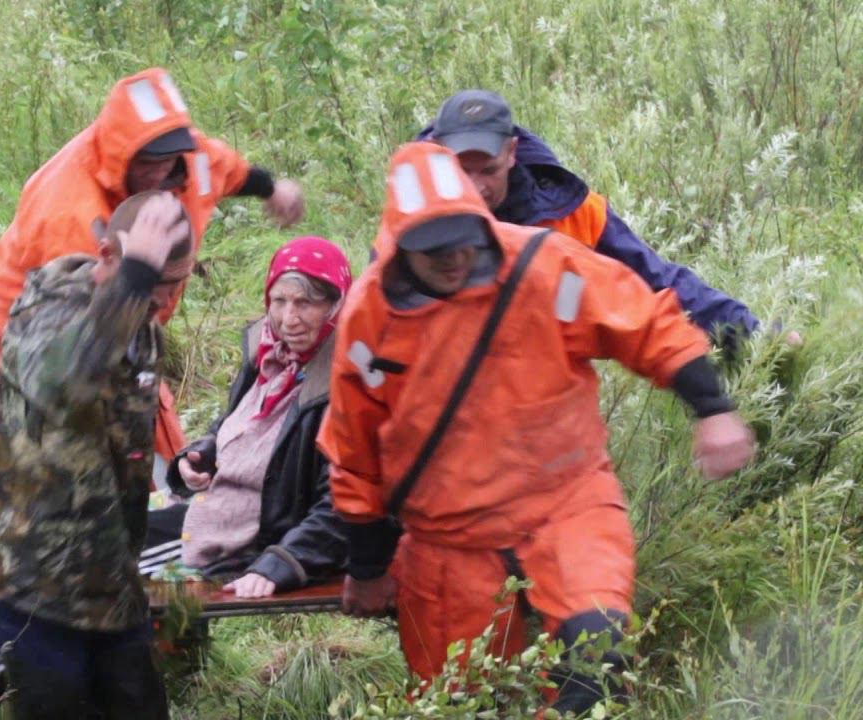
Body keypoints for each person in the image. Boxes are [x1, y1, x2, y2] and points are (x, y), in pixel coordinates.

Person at [318, 142, 756, 714]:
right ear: (401, 248)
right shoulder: (370, 320)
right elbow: (354, 452)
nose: (454, 259)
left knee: (595, 665)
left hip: (566, 508)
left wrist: (713, 408)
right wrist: (368, 567)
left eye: (463, 240)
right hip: (448, 543)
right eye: (434, 249)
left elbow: (646, 323)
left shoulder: (544, 268)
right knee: (463, 704)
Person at [0, 191, 194, 718]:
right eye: (154, 283)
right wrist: (134, 282)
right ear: (108, 257)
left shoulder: (140, 329)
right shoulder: (47, 310)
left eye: (175, 283)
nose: (164, 300)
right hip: (33, 580)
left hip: (110, 581)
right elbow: (64, 386)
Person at [0, 67, 306, 477]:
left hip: (132, 332)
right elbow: (82, 350)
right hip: (39, 353)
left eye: (167, 160)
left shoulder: (185, 160)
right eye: (147, 163)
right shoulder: (69, 215)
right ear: (121, 157)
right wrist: (137, 276)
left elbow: (227, 170)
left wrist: (272, 190)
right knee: (57, 479)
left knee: (170, 474)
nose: (160, 174)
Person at [415, 89, 787, 344]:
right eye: (462, 170)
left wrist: (755, 335)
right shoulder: (411, 225)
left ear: (512, 152)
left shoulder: (570, 212)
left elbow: (657, 282)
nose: (475, 186)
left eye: (489, 170)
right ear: (435, 153)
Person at [139, 235, 353, 598]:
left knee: (102, 555)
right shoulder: (270, 356)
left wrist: (282, 562)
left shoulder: (344, 385)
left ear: (337, 304)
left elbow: (345, 503)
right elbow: (237, 426)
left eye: (306, 303)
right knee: (91, 524)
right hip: (210, 507)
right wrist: (203, 454)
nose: (289, 319)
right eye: (279, 301)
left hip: (242, 541)